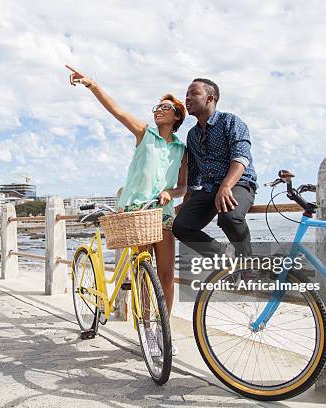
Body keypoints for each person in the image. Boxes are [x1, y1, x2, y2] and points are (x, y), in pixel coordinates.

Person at [67, 65, 187, 355]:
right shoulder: (145, 133)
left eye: (165, 107)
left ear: (176, 116)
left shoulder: (182, 150)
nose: (158, 110)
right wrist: (92, 84)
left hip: (163, 215)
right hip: (136, 212)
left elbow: (183, 186)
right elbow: (117, 111)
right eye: (157, 106)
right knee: (145, 273)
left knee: (167, 275)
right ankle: (147, 327)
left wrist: (170, 192)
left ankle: (162, 330)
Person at [172, 78, 257, 262]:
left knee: (229, 218)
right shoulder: (192, 135)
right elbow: (194, 175)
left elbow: (241, 158)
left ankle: (248, 264)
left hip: (239, 183)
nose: (187, 98)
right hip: (210, 189)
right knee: (180, 226)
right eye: (186, 94)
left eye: (193, 93)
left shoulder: (231, 121)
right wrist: (186, 204)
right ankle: (224, 253)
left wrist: (226, 186)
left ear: (210, 98)